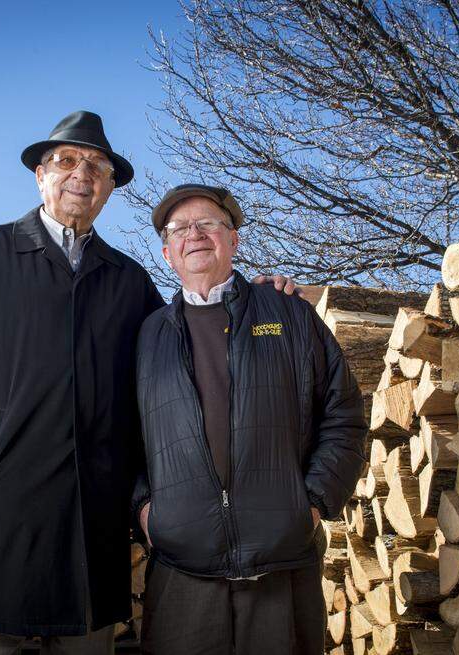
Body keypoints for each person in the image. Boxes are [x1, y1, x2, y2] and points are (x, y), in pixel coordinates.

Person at [0, 114, 296, 655]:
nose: (81, 174)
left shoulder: (128, 280)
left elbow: (183, 349)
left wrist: (251, 298)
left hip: (93, 514)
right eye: (66, 161)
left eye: (97, 167)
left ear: (110, 188)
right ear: (40, 175)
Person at [133, 184, 367, 655]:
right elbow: (122, 438)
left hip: (281, 566)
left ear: (233, 239)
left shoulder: (289, 313)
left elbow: (344, 415)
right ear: (167, 253)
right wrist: (145, 511)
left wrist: (311, 503)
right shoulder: (148, 335)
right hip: (181, 570)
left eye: (208, 224)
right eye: (179, 229)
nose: (194, 235)